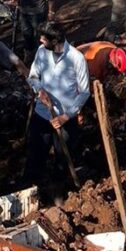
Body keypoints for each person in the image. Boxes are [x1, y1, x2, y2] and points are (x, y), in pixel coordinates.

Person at [24, 22, 90, 188]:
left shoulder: (76, 59)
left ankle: (60, 190)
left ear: (54, 41)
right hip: (42, 113)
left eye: (44, 39)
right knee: (36, 154)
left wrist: (65, 116)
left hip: (65, 119)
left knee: (63, 158)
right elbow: (32, 76)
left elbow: (84, 92)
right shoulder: (41, 52)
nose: (40, 41)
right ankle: (33, 187)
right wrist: (39, 90)